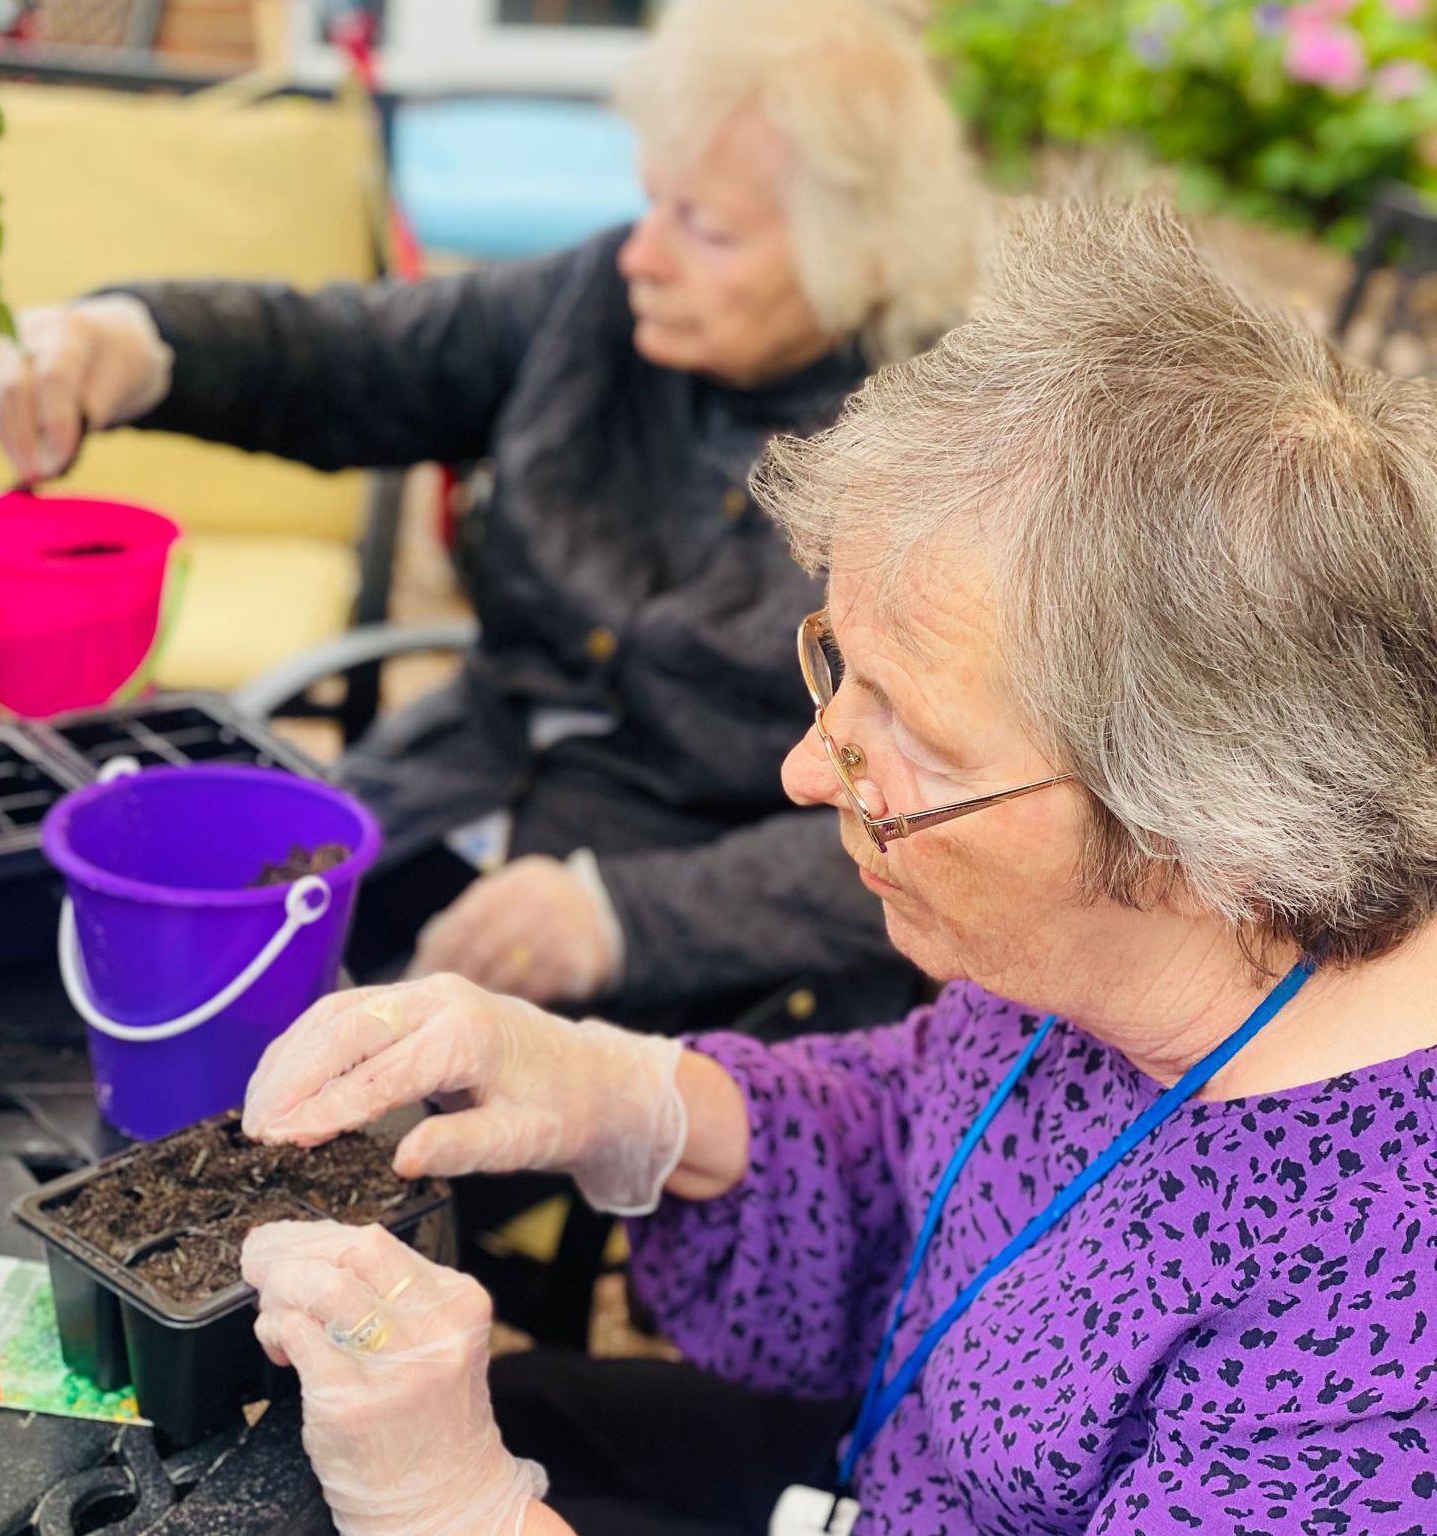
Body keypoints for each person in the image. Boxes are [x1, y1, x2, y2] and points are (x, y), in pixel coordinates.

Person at [237, 199, 1437, 1536]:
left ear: (1195, 834)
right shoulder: (1124, 962)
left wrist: (455, 1514)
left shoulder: (1383, 1362)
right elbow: (926, 1141)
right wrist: (626, 1099)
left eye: (907, 735)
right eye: (835, 669)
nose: (812, 771)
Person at [0, 0, 976, 1034]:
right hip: (447, 792)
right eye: (650, 203)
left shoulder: (943, 452)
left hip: (714, 947)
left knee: (363, 1122)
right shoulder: (599, 302)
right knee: (120, 985)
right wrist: (137, 344)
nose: (643, 255)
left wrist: (620, 917)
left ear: (859, 255)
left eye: (707, 229)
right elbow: (355, 356)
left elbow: (946, 826)